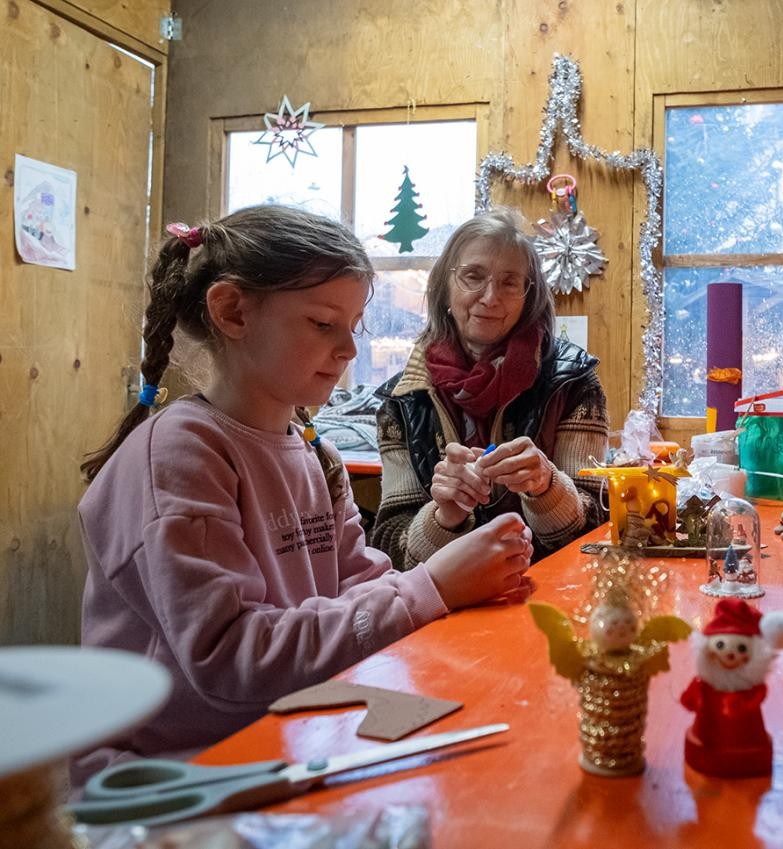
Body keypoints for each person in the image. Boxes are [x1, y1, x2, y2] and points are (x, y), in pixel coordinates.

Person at [76, 206, 532, 781]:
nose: (348, 350)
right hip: (171, 779)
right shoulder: (180, 454)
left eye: (354, 326)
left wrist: (449, 582)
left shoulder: (316, 454)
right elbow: (230, 657)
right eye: (322, 323)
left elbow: (359, 585)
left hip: (288, 740)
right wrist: (432, 586)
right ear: (232, 311)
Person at [371, 208, 608, 569]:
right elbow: (393, 551)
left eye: (509, 282)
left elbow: (592, 535)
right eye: (473, 276)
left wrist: (546, 486)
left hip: (546, 590)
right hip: (446, 597)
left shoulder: (573, 383)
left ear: (528, 296)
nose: (490, 297)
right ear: (444, 287)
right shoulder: (403, 401)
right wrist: (444, 516)